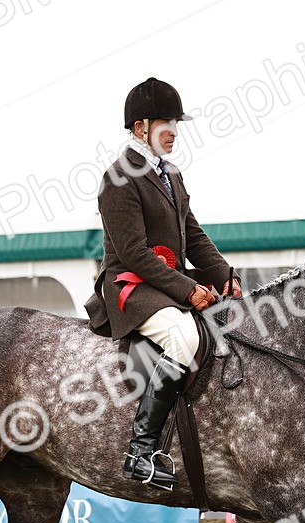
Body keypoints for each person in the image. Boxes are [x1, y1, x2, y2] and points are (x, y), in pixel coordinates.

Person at [85, 77, 240, 490]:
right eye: (166, 123)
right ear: (141, 128)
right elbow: (135, 252)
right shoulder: (118, 178)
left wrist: (225, 274)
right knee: (184, 338)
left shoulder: (171, 173)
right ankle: (141, 451)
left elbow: (194, 236)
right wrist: (188, 291)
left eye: (176, 122)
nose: (174, 131)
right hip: (130, 286)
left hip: (164, 281)